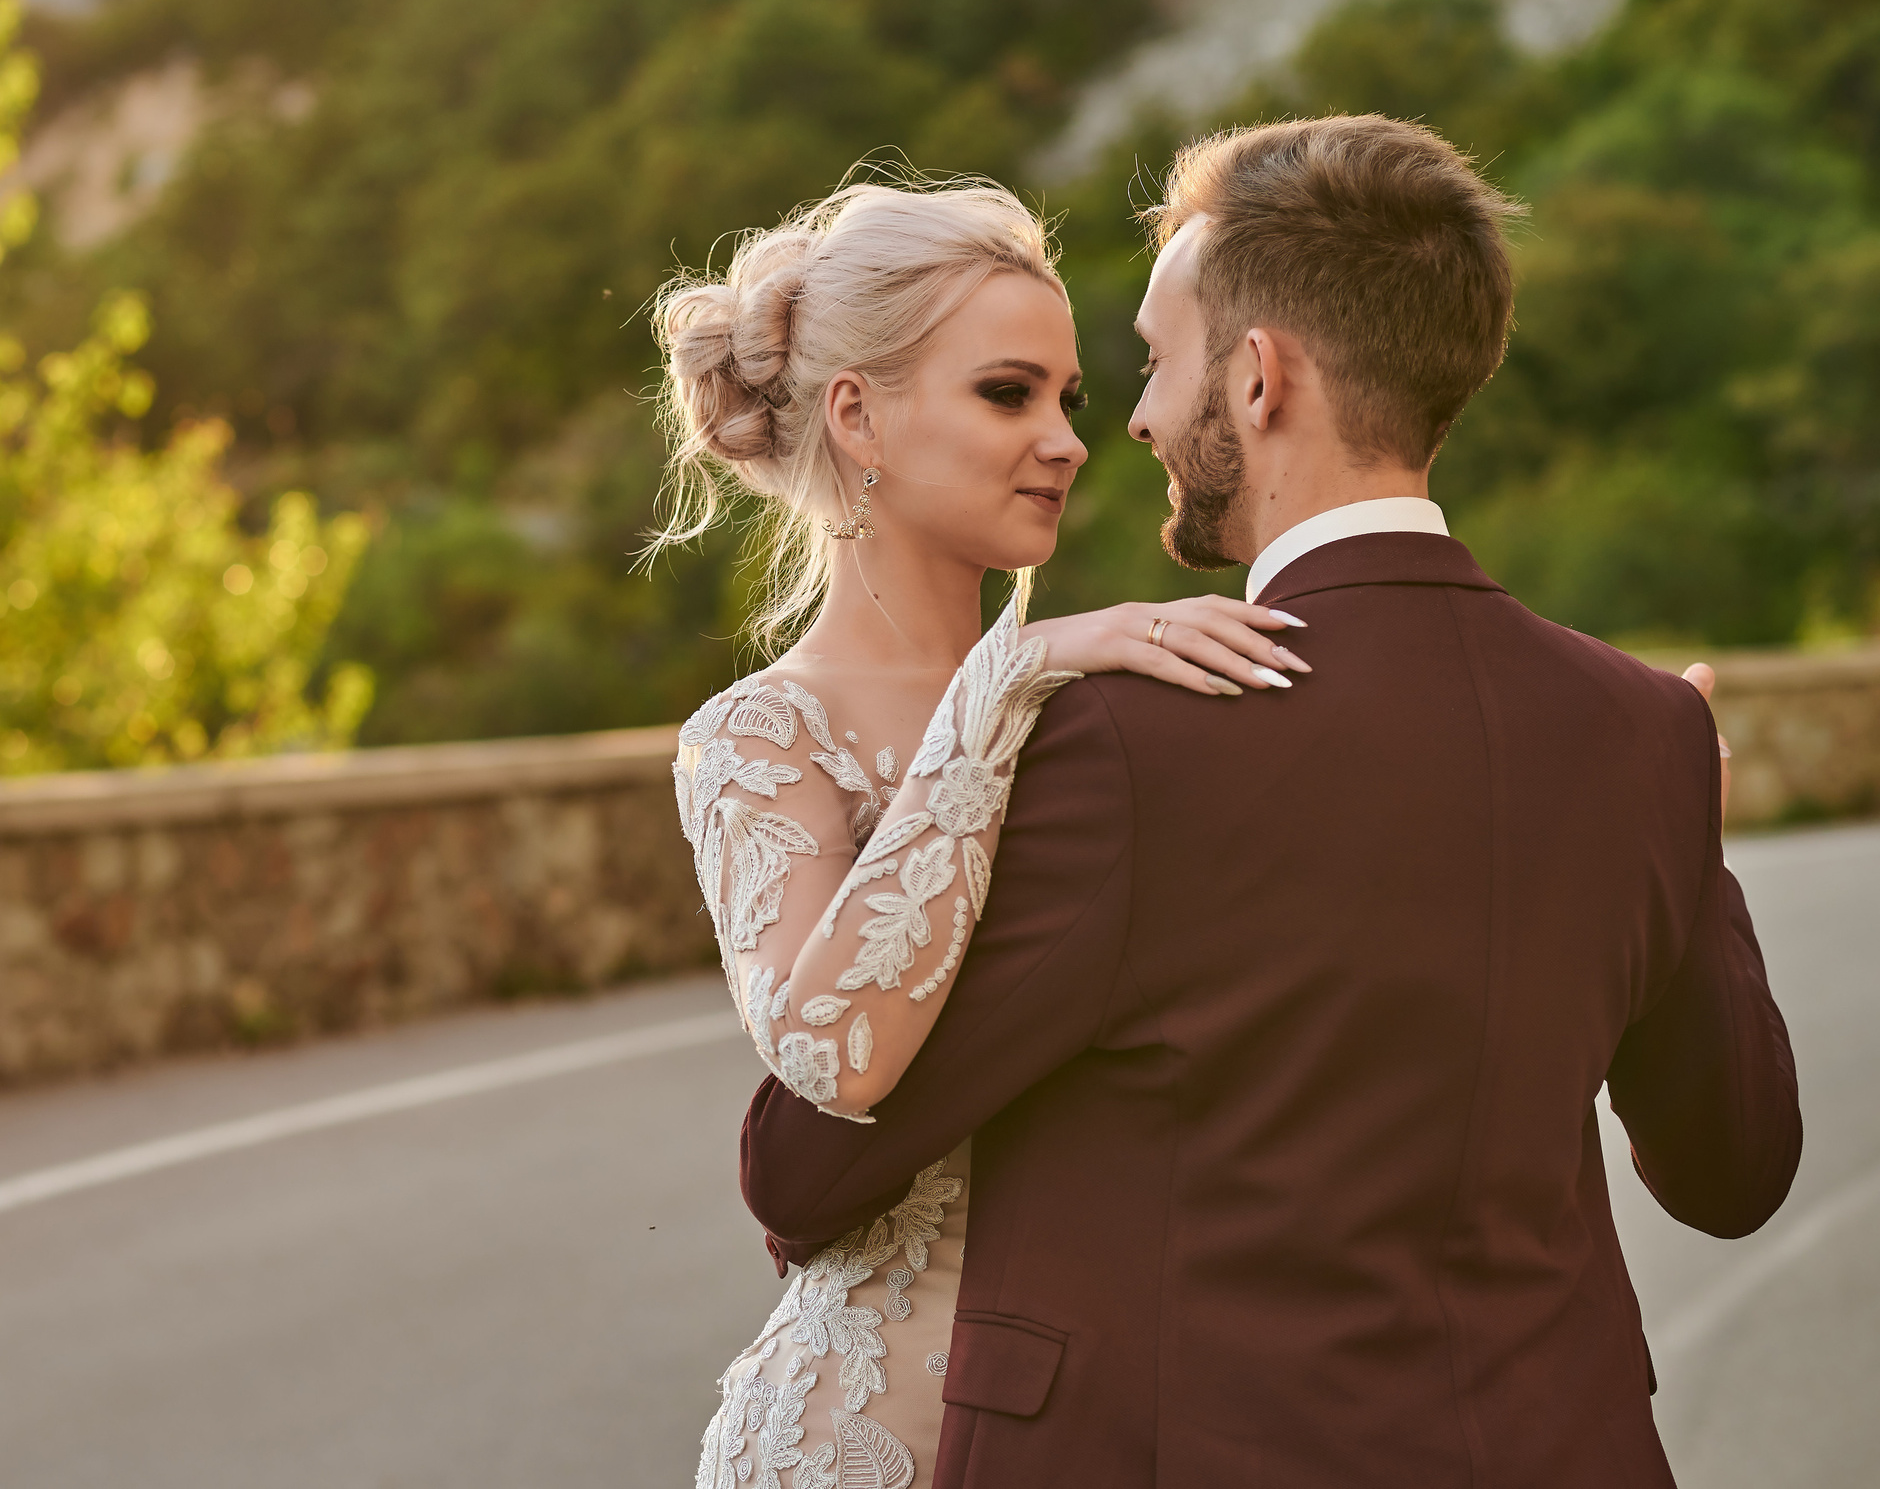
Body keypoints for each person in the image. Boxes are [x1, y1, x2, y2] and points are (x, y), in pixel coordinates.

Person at [732, 116, 1802, 1487]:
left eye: (1156, 362)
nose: (1131, 420)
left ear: (1257, 377)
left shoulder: (1119, 739)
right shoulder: (1648, 734)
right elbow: (1734, 1173)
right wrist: (1696, 835)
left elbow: (809, 1168)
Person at [655, 178, 1312, 1489]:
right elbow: (834, 1052)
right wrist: (1002, 686)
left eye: (1071, 398)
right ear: (858, 415)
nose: (1068, 442)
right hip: (862, 1442)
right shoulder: (759, 737)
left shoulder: (1109, 699)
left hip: (1120, 1429)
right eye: (1010, 394)